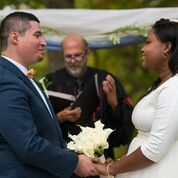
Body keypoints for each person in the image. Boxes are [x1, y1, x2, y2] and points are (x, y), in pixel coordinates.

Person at [0, 11, 99, 178]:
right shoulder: (5, 80)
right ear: (15, 38)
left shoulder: (25, 78)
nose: (43, 43)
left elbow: (47, 136)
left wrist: (80, 156)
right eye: (37, 35)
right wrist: (74, 163)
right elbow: (28, 146)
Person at [95, 18, 178, 178]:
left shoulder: (174, 87)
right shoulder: (160, 85)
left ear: (167, 47)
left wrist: (111, 169)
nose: (143, 49)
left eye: (148, 42)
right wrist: (119, 163)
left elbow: (155, 148)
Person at [43, 33, 134, 161]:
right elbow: (39, 124)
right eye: (68, 56)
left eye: (78, 55)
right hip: (65, 158)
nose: (73, 60)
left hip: (101, 156)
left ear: (87, 53)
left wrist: (113, 103)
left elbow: (127, 125)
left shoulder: (106, 79)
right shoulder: (50, 81)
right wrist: (61, 117)